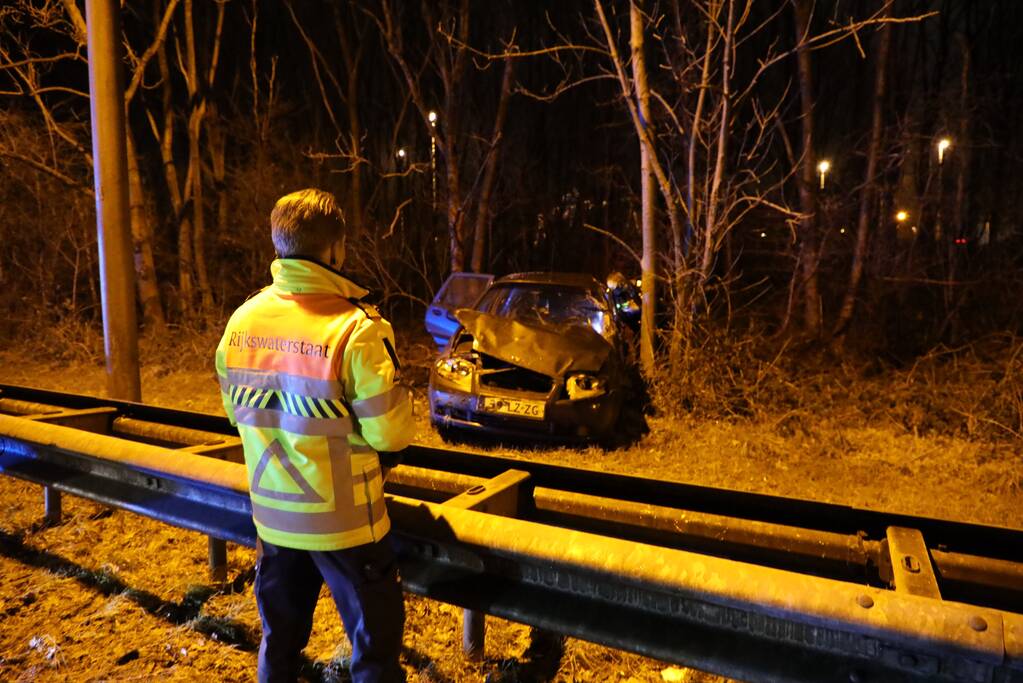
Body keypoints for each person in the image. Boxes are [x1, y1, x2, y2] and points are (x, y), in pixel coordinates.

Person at [215, 188, 414, 683]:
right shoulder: (356, 330)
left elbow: (236, 413)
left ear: (279, 242)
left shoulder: (242, 322)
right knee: (373, 655)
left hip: (274, 519)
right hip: (347, 526)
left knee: (279, 645)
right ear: (335, 250)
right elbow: (391, 434)